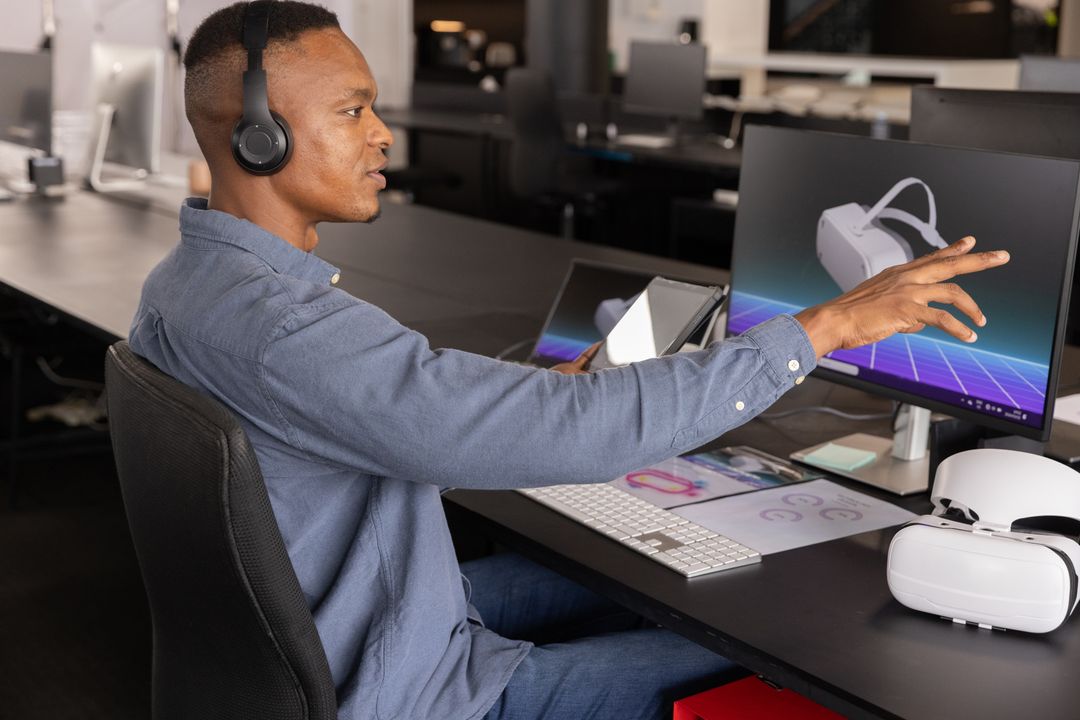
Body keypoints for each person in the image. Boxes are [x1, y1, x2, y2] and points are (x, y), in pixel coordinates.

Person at [128, 2, 1010, 719]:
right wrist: (822, 329)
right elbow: (547, 432)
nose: (383, 135)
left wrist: (538, 389)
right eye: (353, 110)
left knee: (651, 579)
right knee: (799, 656)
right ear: (258, 137)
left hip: (330, 632)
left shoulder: (188, 285)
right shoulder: (289, 330)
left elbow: (391, 396)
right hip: (411, 690)